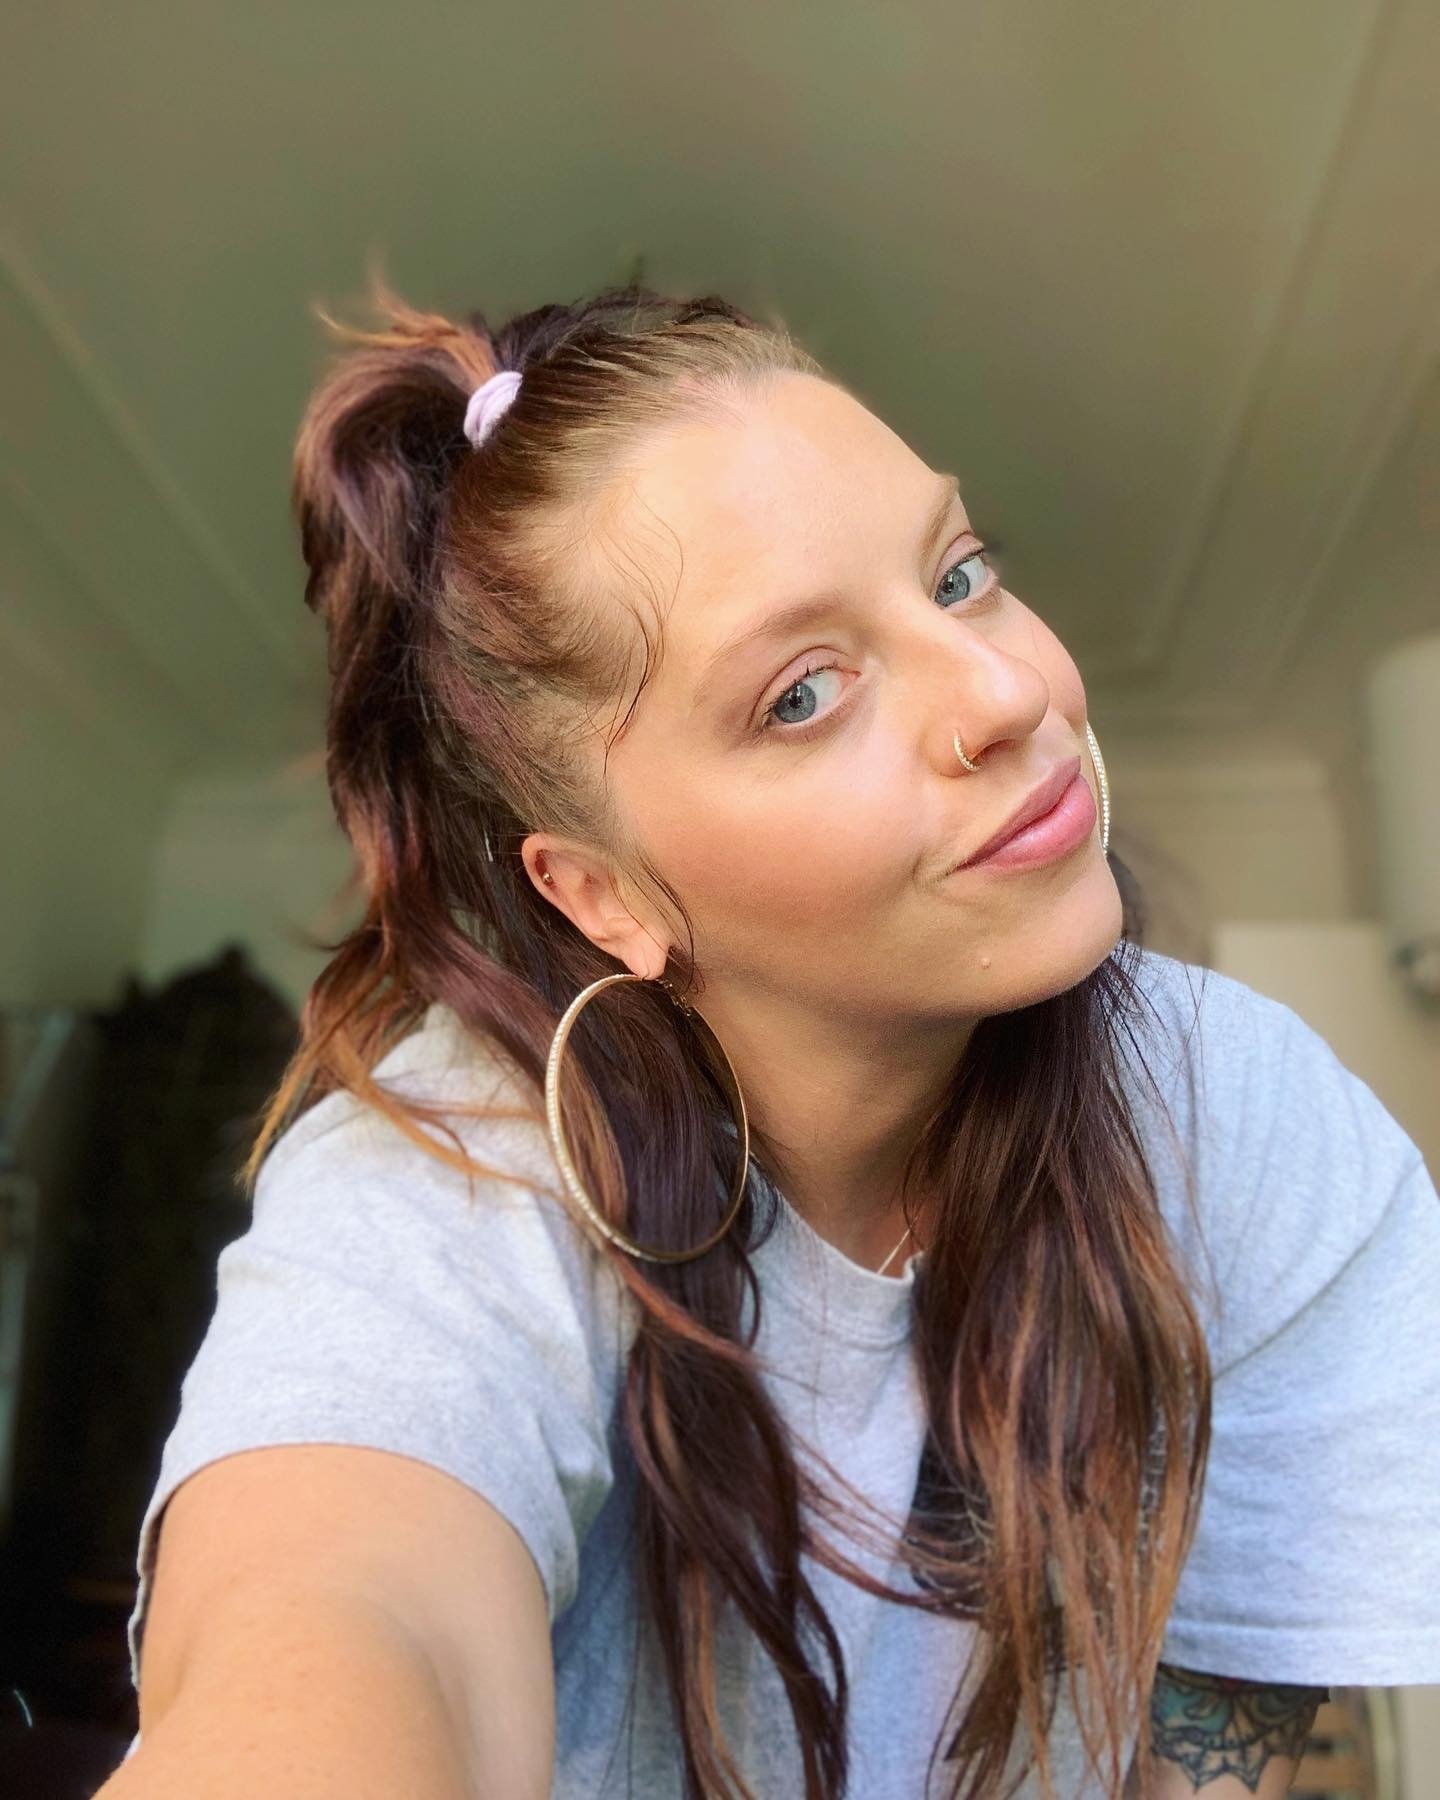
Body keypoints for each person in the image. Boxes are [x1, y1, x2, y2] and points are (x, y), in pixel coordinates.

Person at [101, 280, 1440, 1800]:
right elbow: (344, 1605)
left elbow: (1210, 1747)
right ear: (604, 897)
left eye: (959, 575)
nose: (1010, 691)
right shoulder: (451, 1171)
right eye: (803, 695)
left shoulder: (1244, 1120)